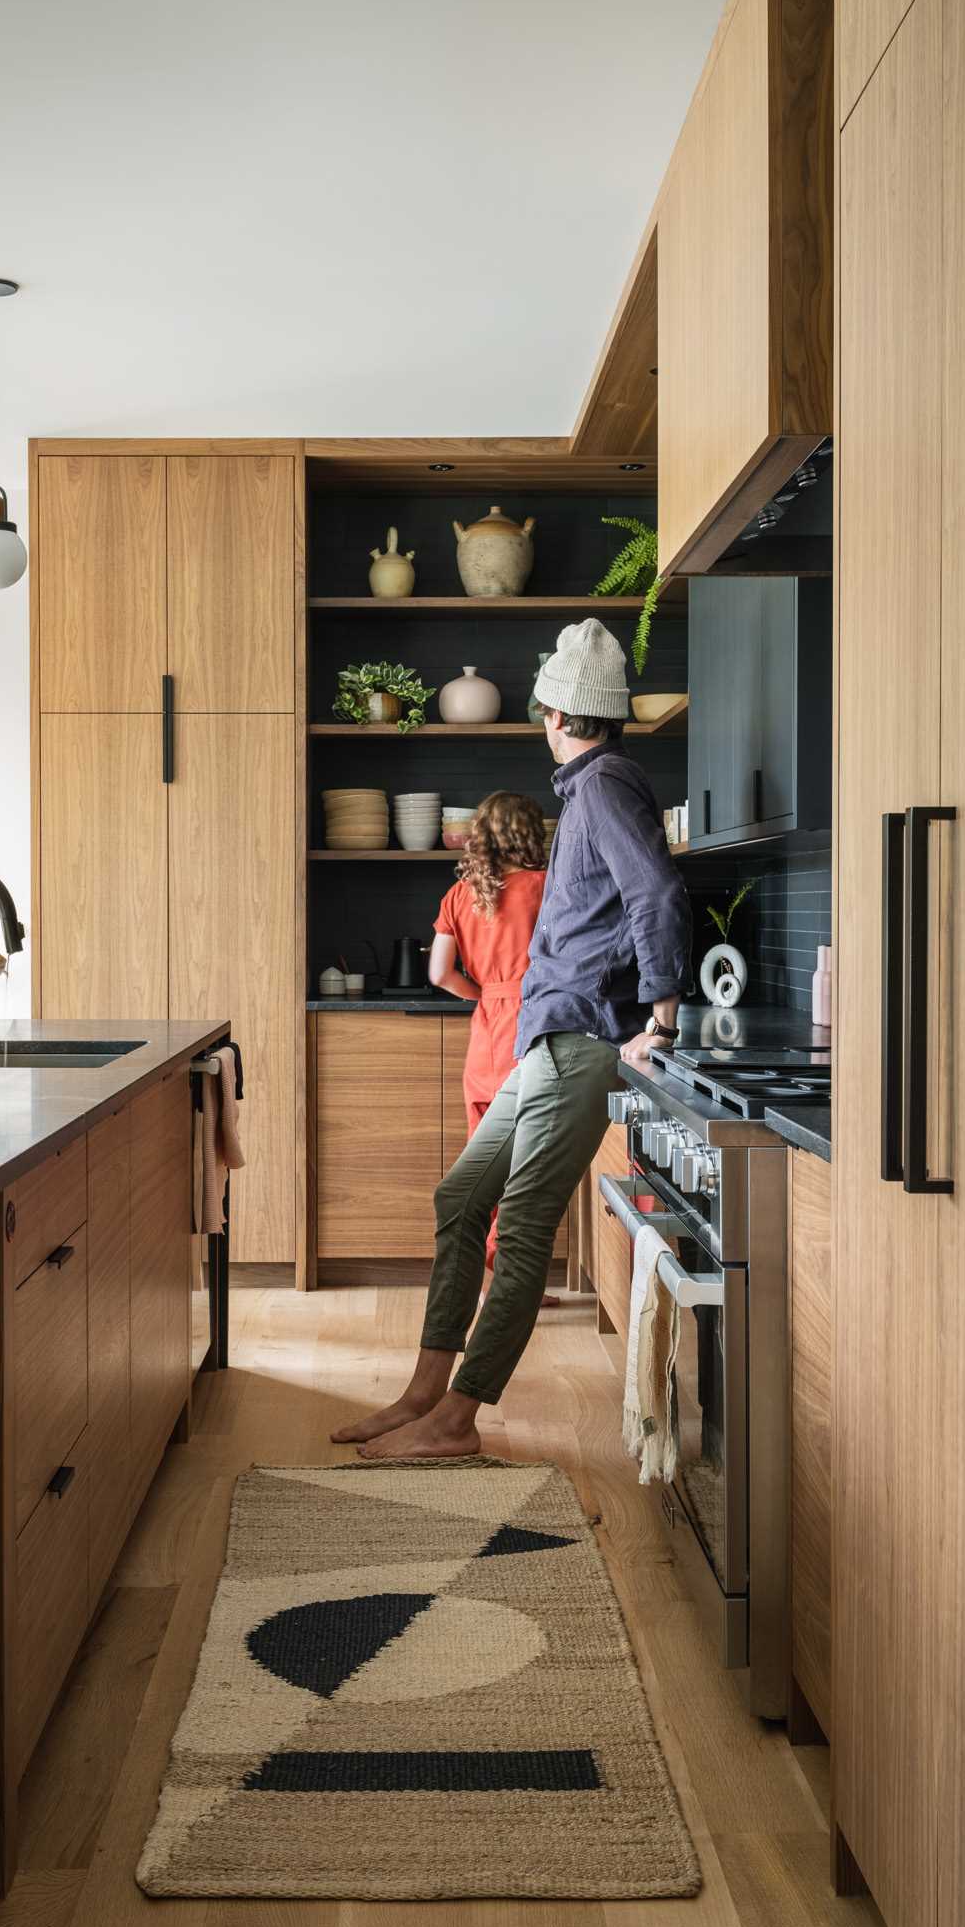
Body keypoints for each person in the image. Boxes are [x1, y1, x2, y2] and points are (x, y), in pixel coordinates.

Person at [332, 617, 692, 1460]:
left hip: (584, 1040)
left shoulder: (600, 787)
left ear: (558, 716)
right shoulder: (595, 788)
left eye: (543, 709)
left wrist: (662, 1015)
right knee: (462, 1200)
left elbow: (656, 895)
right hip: (549, 1038)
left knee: (522, 1222)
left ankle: (456, 1421)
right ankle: (424, 1393)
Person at [429, 791, 549, 1282]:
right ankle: (509, 1283)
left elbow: (439, 973)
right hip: (536, 1027)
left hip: (486, 1034)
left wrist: (484, 992)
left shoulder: (461, 895)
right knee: (528, 1167)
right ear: (530, 833)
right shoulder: (545, 886)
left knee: (484, 1164)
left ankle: (479, 1278)